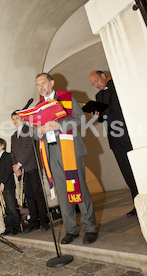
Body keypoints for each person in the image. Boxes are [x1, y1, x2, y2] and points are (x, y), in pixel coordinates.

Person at [34, 73, 98, 245]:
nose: (41, 86)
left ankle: (90, 228)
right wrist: (38, 131)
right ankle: (71, 230)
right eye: (38, 84)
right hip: (52, 153)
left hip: (69, 148)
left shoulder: (66, 97)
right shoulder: (38, 107)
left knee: (80, 189)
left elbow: (80, 117)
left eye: (43, 82)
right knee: (62, 194)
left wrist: (59, 125)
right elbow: (34, 132)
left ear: (51, 83)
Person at [89, 70, 138, 216]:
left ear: (104, 76)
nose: (96, 85)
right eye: (93, 84)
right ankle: (137, 202)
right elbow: (103, 117)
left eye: (97, 81)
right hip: (113, 139)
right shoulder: (98, 96)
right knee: (126, 172)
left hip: (127, 133)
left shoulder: (117, 84)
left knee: (137, 168)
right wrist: (96, 115)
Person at [11, 111, 49, 233]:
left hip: (32, 166)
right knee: (29, 196)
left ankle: (44, 220)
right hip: (22, 170)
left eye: (17, 118)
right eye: (13, 119)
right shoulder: (13, 136)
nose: (15, 120)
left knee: (37, 194)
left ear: (22, 119)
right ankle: (34, 222)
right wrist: (15, 168)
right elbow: (12, 153)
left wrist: (19, 163)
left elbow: (30, 148)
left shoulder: (29, 130)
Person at [0, 138, 21, 235]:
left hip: (7, 185)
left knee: (12, 206)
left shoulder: (8, 156)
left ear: (2, 146)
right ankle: (8, 227)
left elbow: (9, 170)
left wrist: (3, 183)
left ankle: (16, 227)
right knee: (4, 208)